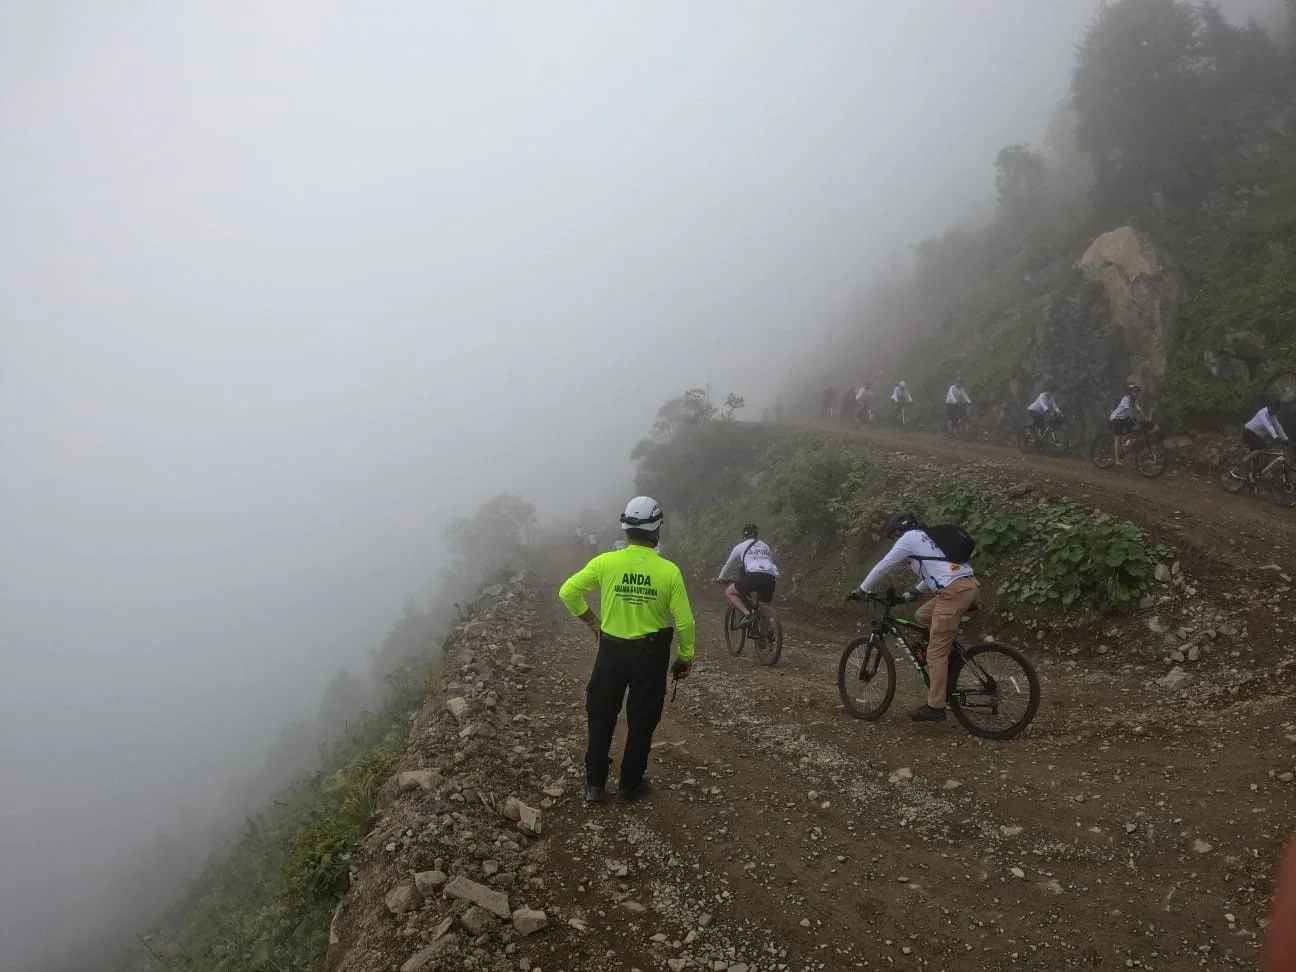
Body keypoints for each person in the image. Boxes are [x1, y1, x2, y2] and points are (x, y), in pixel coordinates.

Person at [558, 496, 696, 805]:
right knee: (642, 720)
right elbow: (685, 623)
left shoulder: (605, 563)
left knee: (601, 715)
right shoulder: (669, 571)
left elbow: (568, 592)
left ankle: (594, 785)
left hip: (611, 652)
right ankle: (629, 785)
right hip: (649, 656)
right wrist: (685, 657)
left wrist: (593, 622)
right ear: (657, 531)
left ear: (625, 530)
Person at [846, 512, 978, 723]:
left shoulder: (909, 539)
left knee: (935, 653)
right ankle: (951, 657)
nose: (895, 540)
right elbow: (937, 569)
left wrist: (862, 589)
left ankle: (935, 706)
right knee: (922, 614)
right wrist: (914, 592)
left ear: (899, 531)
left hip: (953, 592)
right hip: (965, 585)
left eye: (894, 536)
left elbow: (884, 564)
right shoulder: (928, 537)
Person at [715, 523, 779, 627]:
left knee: (729, 592)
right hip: (770, 577)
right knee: (764, 605)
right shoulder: (765, 546)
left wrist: (721, 578)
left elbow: (728, 564)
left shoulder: (740, 547)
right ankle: (765, 634)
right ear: (757, 535)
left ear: (744, 536)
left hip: (754, 576)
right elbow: (769, 561)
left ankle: (747, 614)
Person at [1243, 396, 1290, 482]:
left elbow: (1278, 427)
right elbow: (1268, 426)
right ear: (1270, 407)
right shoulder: (1262, 413)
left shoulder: (1273, 416)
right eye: (1274, 410)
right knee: (1263, 449)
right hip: (1249, 432)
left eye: (1276, 411)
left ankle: (1252, 477)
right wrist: (1275, 437)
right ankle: (1245, 460)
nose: (1275, 412)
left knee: (1258, 455)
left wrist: (1285, 439)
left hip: (1255, 435)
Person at [1109, 382, 1147, 466]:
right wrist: (1134, 418)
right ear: (1131, 392)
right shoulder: (1126, 399)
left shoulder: (1135, 400)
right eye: (1135, 392)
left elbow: (1139, 410)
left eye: (1137, 392)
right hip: (1117, 418)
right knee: (1117, 437)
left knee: (1135, 430)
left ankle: (1124, 445)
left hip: (1125, 419)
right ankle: (1117, 460)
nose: (1137, 394)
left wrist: (1145, 419)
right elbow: (1128, 411)